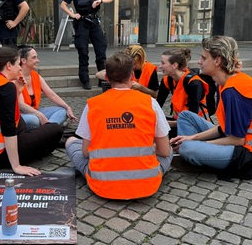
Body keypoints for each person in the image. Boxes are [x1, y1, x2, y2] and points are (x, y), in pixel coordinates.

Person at [65, 52, 173, 200]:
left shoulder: (93, 104)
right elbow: (164, 151)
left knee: (71, 142)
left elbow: (85, 152)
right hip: (146, 184)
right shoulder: (150, 102)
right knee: (170, 149)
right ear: (132, 77)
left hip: (102, 183)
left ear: (107, 78)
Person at [171, 36, 252, 180]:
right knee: (185, 116)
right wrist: (192, 137)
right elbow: (224, 128)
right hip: (239, 142)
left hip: (250, 156)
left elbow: (237, 140)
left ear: (217, 61)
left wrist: (195, 143)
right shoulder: (226, 83)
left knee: (187, 148)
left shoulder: (233, 91)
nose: (199, 62)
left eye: (204, 58)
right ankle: (195, 154)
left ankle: (192, 155)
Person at [0, 47, 64, 176]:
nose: (20, 68)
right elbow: (8, 129)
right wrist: (17, 166)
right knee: (55, 129)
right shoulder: (5, 87)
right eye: (18, 64)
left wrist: (18, 90)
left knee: (22, 120)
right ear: (8, 66)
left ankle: (37, 140)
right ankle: (45, 145)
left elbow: (5, 115)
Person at [61, 0, 114, 90]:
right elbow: (63, 4)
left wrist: (100, 1)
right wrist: (73, 14)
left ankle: (102, 79)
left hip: (94, 23)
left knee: (101, 51)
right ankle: (85, 80)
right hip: (82, 23)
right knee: (83, 52)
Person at [18, 46, 78, 130]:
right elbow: (21, 105)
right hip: (21, 116)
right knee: (34, 120)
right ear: (23, 60)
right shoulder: (16, 77)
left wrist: (67, 107)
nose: (38, 60)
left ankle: (47, 129)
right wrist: (40, 115)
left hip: (35, 113)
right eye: (34, 58)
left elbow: (51, 95)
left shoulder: (36, 76)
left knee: (63, 111)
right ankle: (51, 127)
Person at [157, 48, 210, 138]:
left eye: (163, 63)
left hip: (198, 128)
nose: (159, 66)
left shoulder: (194, 83)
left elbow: (191, 119)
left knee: (158, 132)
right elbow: (158, 105)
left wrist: (165, 124)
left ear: (174, 65)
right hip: (178, 123)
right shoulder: (167, 80)